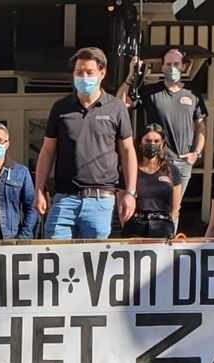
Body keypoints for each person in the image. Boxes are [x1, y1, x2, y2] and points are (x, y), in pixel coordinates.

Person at [34, 46, 138, 239]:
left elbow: (127, 151)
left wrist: (130, 193)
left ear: (102, 73)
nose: (84, 77)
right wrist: (39, 190)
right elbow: (47, 151)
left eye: (89, 72)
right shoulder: (61, 108)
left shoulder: (116, 108)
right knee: (54, 251)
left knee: (94, 257)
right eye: (79, 72)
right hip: (64, 198)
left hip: (101, 200)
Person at [117, 47, 206, 189]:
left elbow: (201, 127)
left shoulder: (192, 94)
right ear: (162, 67)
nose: (172, 68)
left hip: (182, 162)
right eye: (168, 64)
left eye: (176, 64)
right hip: (155, 161)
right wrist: (130, 75)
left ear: (183, 66)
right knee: (153, 201)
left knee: (175, 203)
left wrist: (196, 153)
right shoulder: (150, 92)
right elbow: (120, 105)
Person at [121, 125, 183, 239]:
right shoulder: (129, 170)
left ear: (162, 143)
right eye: (148, 141)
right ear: (140, 143)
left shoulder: (172, 170)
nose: (152, 144)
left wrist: (170, 224)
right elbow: (121, 203)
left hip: (163, 228)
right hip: (135, 227)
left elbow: (176, 207)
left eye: (156, 141)